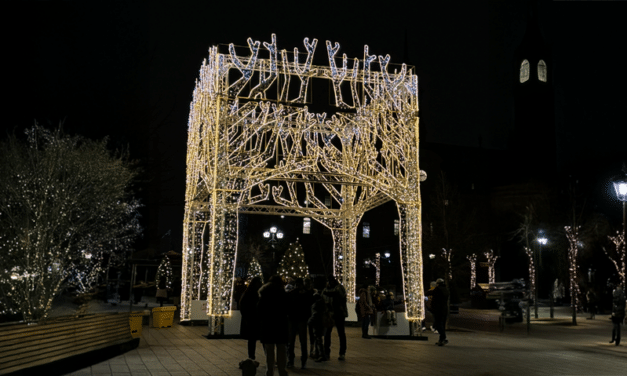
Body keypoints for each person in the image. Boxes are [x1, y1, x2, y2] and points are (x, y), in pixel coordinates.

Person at [257, 275, 289, 376]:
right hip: (280, 325)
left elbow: (259, 309)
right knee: (281, 350)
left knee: (269, 351)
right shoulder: (282, 293)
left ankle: (269, 371)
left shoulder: (264, 294)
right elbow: (287, 308)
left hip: (268, 325)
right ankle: (282, 370)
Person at [286, 278, 314, 369]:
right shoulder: (300, 293)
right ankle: (300, 360)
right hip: (300, 318)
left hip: (295, 318)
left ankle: (293, 360)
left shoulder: (293, 293)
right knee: (300, 341)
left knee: (293, 341)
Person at [322, 275, 348, 361]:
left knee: (340, 333)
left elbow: (338, 294)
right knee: (328, 334)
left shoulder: (338, 288)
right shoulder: (328, 289)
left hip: (338, 313)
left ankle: (342, 352)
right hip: (331, 313)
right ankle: (327, 352)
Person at [239, 277, 263, 360]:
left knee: (253, 340)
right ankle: (252, 356)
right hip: (253, 319)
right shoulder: (252, 294)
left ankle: (252, 356)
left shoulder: (249, 293)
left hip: (253, 319)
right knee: (253, 339)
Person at [426, 278, 449, 346]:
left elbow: (429, 293)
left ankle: (443, 338)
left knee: (437, 324)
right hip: (444, 309)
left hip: (438, 309)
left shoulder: (437, 289)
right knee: (442, 324)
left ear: (437, 283)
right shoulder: (446, 289)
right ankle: (441, 339)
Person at [308, 291, 327, 362]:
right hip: (320, 324)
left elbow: (314, 315)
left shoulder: (316, 305)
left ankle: (320, 354)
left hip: (317, 324)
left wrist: (309, 322)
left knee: (318, 340)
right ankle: (319, 353)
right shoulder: (322, 304)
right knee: (318, 340)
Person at [304, 277, 317, 358]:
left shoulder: (306, 292)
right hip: (309, 314)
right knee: (311, 333)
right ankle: (311, 350)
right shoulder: (313, 292)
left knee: (310, 333)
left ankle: (311, 349)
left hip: (307, 314)